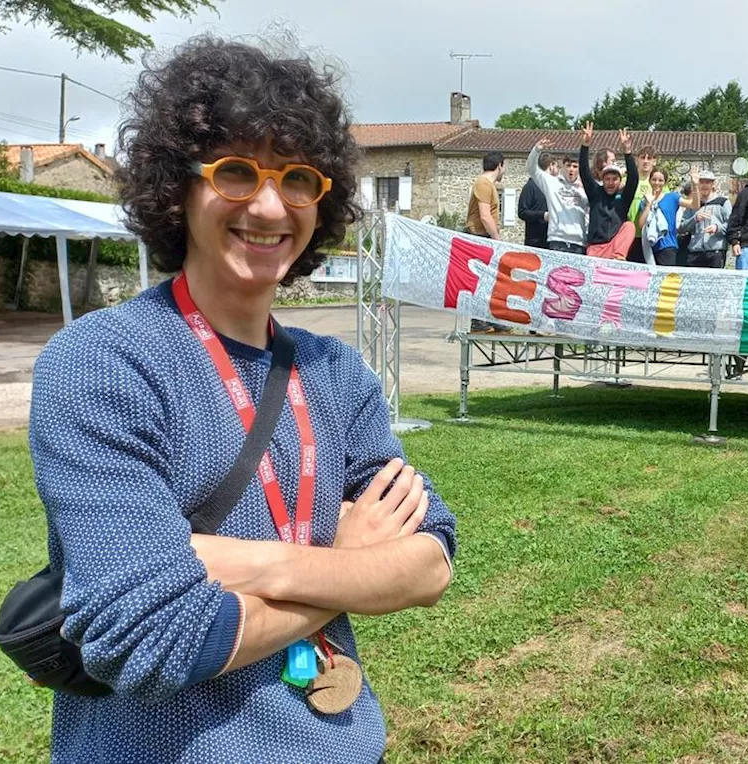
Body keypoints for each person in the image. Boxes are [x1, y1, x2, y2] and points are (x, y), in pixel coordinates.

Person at [28, 37, 456, 764]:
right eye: (235, 173)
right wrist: (345, 563)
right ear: (178, 189)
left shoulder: (337, 374)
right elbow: (151, 643)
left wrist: (254, 564)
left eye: (297, 179)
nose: (268, 205)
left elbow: (431, 559)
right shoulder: (103, 363)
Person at [578, 121, 638, 259]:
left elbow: (634, 178)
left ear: (620, 181)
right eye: (608, 179)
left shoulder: (624, 197)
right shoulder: (595, 193)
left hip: (614, 247)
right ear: (602, 179)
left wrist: (627, 152)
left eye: (614, 179)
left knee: (629, 226)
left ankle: (618, 258)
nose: (611, 183)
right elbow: (584, 171)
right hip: (596, 248)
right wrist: (585, 145)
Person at [527, 140, 589, 254]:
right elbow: (532, 169)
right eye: (568, 166)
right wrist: (536, 150)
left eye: (575, 166)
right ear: (562, 166)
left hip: (579, 243)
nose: (571, 170)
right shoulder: (552, 183)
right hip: (557, 241)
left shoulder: (586, 187)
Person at [635, 166, 701, 266]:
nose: (657, 183)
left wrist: (695, 186)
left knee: (667, 280)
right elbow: (641, 225)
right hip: (649, 248)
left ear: (664, 182)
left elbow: (694, 205)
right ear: (650, 181)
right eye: (654, 179)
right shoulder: (645, 200)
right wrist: (648, 204)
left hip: (668, 245)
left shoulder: (672, 197)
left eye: (660, 180)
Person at [677, 169, 731, 268]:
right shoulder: (693, 204)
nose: (704, 185)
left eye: (708, 182)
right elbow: (681, 227)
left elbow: (731, 224)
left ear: (713, 184)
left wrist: (717, 228)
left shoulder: (723, 202)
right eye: (701, 182)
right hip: (695, 252)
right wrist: (695, 219)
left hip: (715, 251)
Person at [626, 143, 659, 262]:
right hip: (628, 234)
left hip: (648, 235)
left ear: (654, 162)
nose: (645, 161)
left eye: (649, 158)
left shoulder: (658, 184)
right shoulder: (627, 181)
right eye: (642, 158)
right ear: (637, 160)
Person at [517, 149, 555, 249]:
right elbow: (522, 212)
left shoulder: (555, 186)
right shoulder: (530, 186)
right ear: (551, 165)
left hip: (552, 240)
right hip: (535, 241)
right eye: (556, 166)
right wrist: (543, 215)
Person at [466, 151, 504, 240]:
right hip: (478, 236)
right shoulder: (484, 184)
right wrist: (496, 239)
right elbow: (485, 216)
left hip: (483, 236)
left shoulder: (489, 184)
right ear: (499, 166)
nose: (504, 171)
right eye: (504, 167)